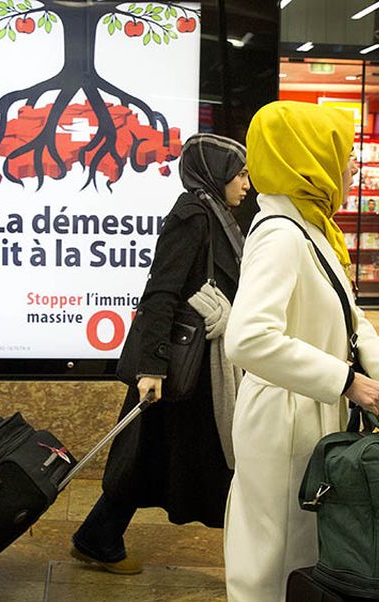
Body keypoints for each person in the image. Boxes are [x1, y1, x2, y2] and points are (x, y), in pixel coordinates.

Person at [222, 101, 379, 602]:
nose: (353, 164)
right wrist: (345, 380)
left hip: (306, 412)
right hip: (284, 419)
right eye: (343, 151)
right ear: (308, 159)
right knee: (274, 557)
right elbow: (247, 337)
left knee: (300, 550)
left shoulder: (310, 227)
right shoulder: (281, 234)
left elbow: (348, 318)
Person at [71, 133, 250, 574]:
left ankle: (98, 536)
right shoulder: (193, 216)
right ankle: (250, 555)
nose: (247, 184)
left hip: (196, 365)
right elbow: (161, 292)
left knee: (153, 455)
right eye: (240, 174)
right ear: (215, 172)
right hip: (180, 367)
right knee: (156, 455)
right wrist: (150, 368)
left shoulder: (217, 216)